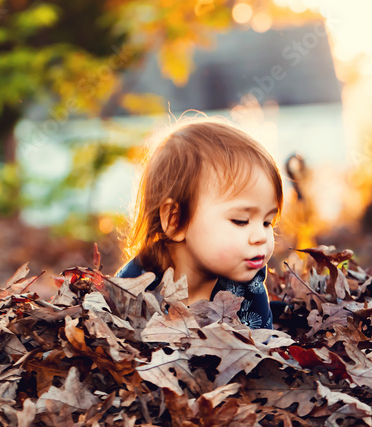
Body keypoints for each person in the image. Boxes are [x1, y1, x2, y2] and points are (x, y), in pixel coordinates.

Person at [114, 118, 282, 330]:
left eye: (268, 222)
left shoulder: (247, 281)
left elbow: (260, 346)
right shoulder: (134, 286)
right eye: (241, 221)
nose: (261, 236)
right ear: (175, 220)